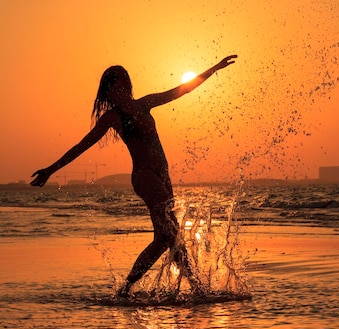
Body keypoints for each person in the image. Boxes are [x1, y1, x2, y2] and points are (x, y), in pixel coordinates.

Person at [31, 55, 237, 297]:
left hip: (162, 177)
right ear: (108, 92)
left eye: (122, 84)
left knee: (163, 239)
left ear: (127, 86)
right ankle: (196, 287)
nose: (119, 90)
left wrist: (214, 68)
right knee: (172, 233)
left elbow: (181, 90)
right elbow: (81, 146)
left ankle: (127, 288)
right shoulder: (113, 118)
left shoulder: (145, 104)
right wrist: (50, 170)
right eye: (113, 86)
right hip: (145, 177)